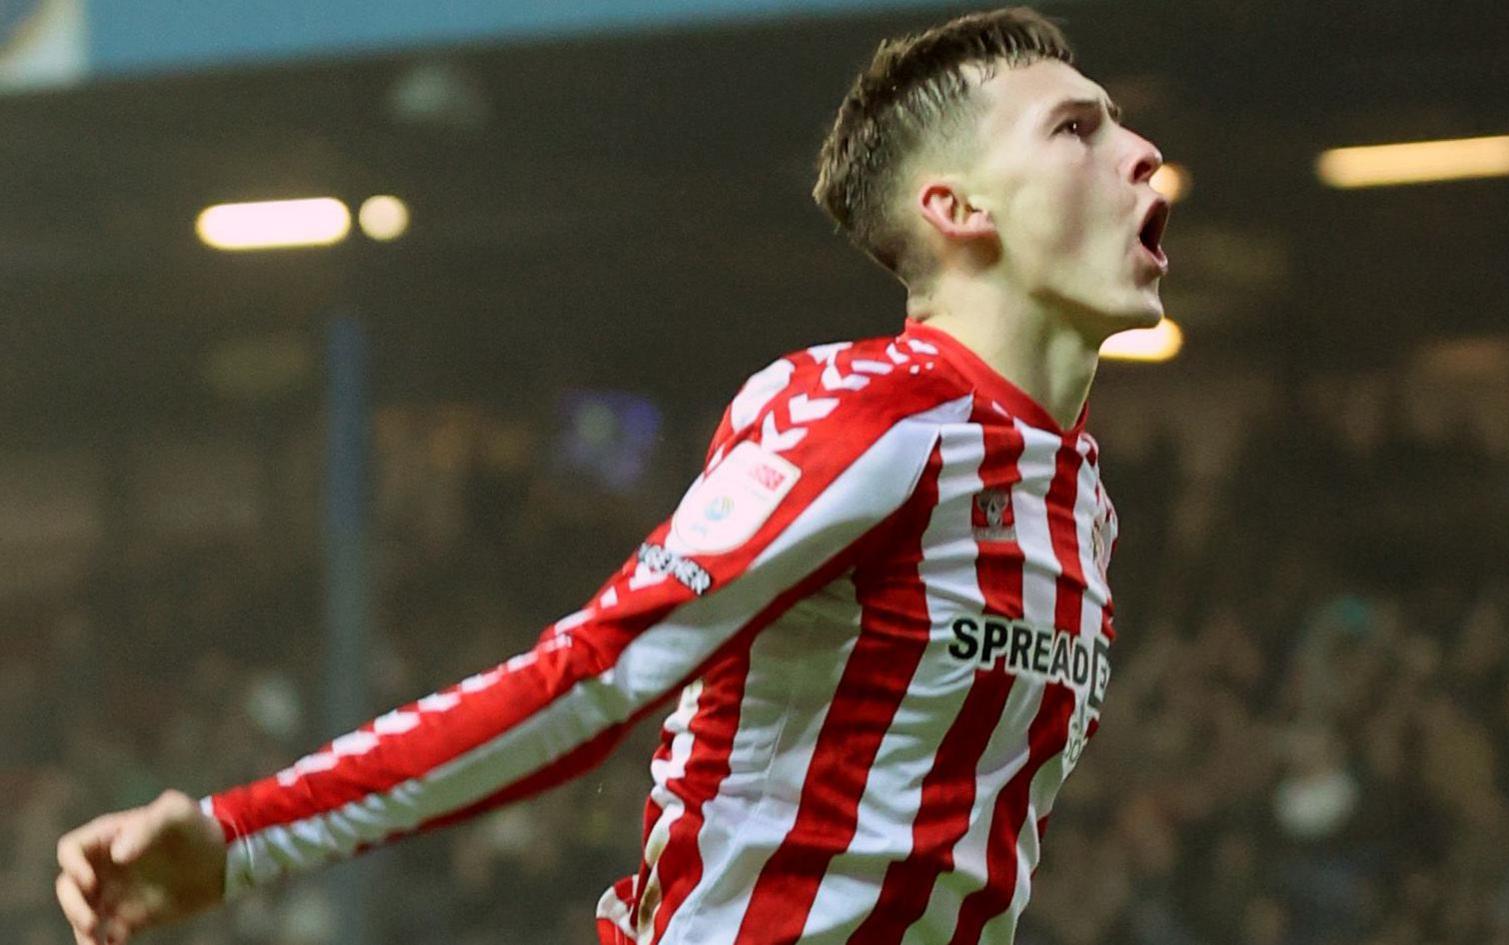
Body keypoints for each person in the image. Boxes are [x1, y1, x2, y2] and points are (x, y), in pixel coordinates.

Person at [54, 7, 1170, 944]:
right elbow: (589, 678)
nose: (1136, 152)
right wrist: (242, 836)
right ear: (957, 208)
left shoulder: (1077, 496)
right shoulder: (876, 414)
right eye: (1077, 128)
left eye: (1121, 123)